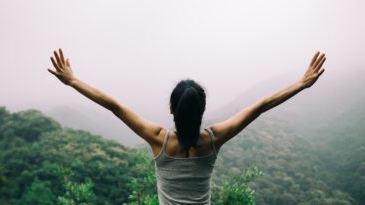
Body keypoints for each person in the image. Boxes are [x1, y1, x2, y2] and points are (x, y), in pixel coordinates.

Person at [48, 49, 326, 204]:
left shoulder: (159, 139)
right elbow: (261, 105)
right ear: (203, 111)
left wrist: (73, 81)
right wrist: (301, 84)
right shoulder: (213, 140)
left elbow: (115, 106)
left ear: (171, 109)